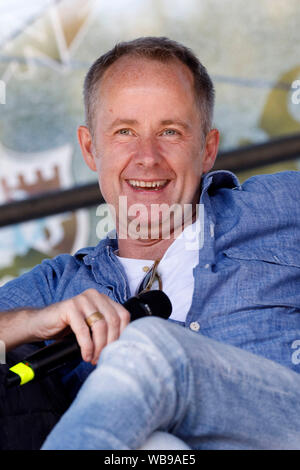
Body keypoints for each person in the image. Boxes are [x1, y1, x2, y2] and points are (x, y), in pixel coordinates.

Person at [0, 36, 300, 450]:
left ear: (207, 149)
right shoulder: (59, 286)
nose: (148, 157)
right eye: (125, 131)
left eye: (170, 132)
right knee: (154, 447)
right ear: (91, 148)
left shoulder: (279, 207)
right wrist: (31, 322)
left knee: (149, 347)